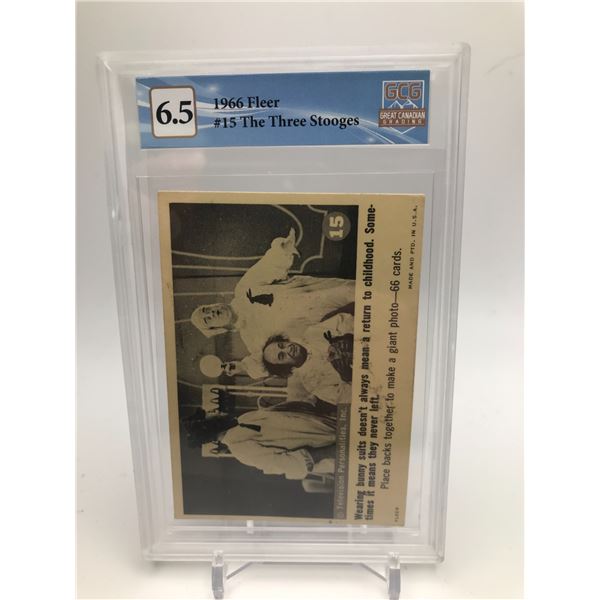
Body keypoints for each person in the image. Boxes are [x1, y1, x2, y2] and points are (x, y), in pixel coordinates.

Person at [190, 228, 355, 378]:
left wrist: (282, 250)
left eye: (206, 309)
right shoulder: (252, 340)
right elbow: (264, 365)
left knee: (355, 292)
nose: (211, 313)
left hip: (315, 293)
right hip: (324, 322)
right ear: (216, 329)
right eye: (207, 319)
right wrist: (243, 367)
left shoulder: (242, 290)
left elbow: (265, 268)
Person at [182, 403, 337, 481]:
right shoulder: (240, 450)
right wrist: (333, 450)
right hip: (335, 450)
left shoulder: (244, 418)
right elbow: (290, 464)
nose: (214, 411)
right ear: (207, 426)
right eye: (208, 415)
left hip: (334, 427)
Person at [261, 312, 354, 406]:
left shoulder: (312, 333)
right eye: (282, 356)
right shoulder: (311, 383)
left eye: (282, 345)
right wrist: (346, 376)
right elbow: (345, 400)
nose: (288, 349)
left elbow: (345, 319)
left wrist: (347, 336)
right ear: (285, 367)